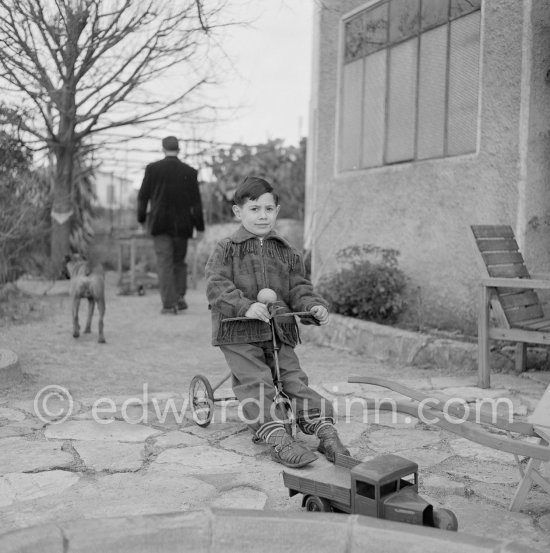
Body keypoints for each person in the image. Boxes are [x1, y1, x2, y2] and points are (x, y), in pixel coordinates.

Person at [205, 176, 350, 468]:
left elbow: (299, 288)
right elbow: (216, 284)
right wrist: (245, 306)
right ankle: (275, 434)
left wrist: (313, 307)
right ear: (238, 212)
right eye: (254, 209)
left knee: (293, 378)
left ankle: (323, 429)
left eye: (268, 209)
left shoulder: (288, 252)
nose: (262, 215)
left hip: (278, 329)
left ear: (277, 211)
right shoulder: (226, 248)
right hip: (238, 331)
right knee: (257, 381)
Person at [137, 136, 204, 314]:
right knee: (179, 262)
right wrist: (200, 227)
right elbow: (196, 203)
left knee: (164, 263)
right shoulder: (189, 171)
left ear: (163, 148)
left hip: (159, 224)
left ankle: (169, 304)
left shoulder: (152, 169)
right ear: (179, 149)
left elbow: (143, 196)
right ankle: (180, 297)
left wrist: (142, 219)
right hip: (183, 226)